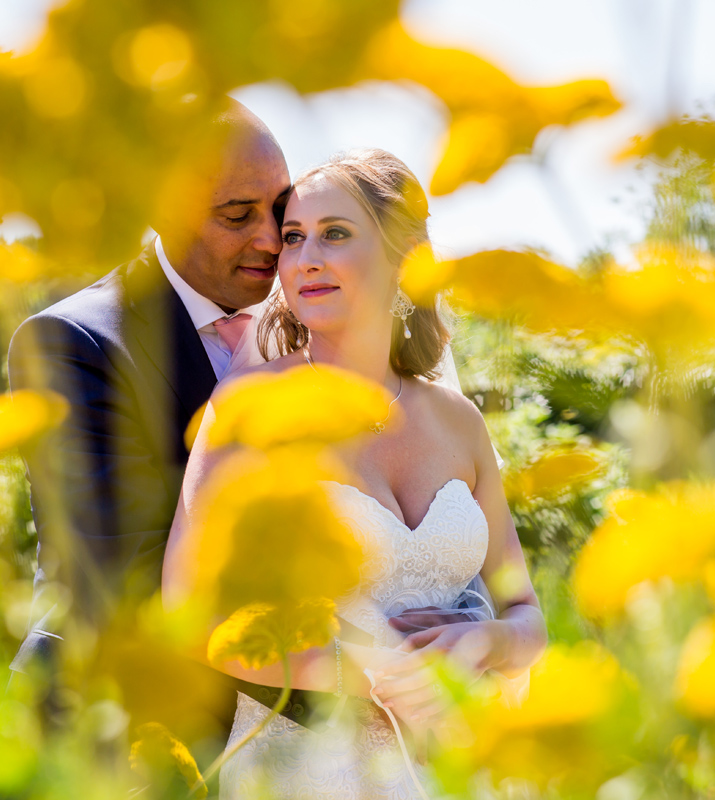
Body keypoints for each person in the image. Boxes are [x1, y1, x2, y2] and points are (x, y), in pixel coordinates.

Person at [163, 149, 547, 798]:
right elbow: (189, 615)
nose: (305, 257)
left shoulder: (458, 422)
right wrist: (367, 673)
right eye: (293, 238)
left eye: (335, 234)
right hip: (305, 769)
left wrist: (485, 644)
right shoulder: (250, 409)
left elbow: (527, 613)